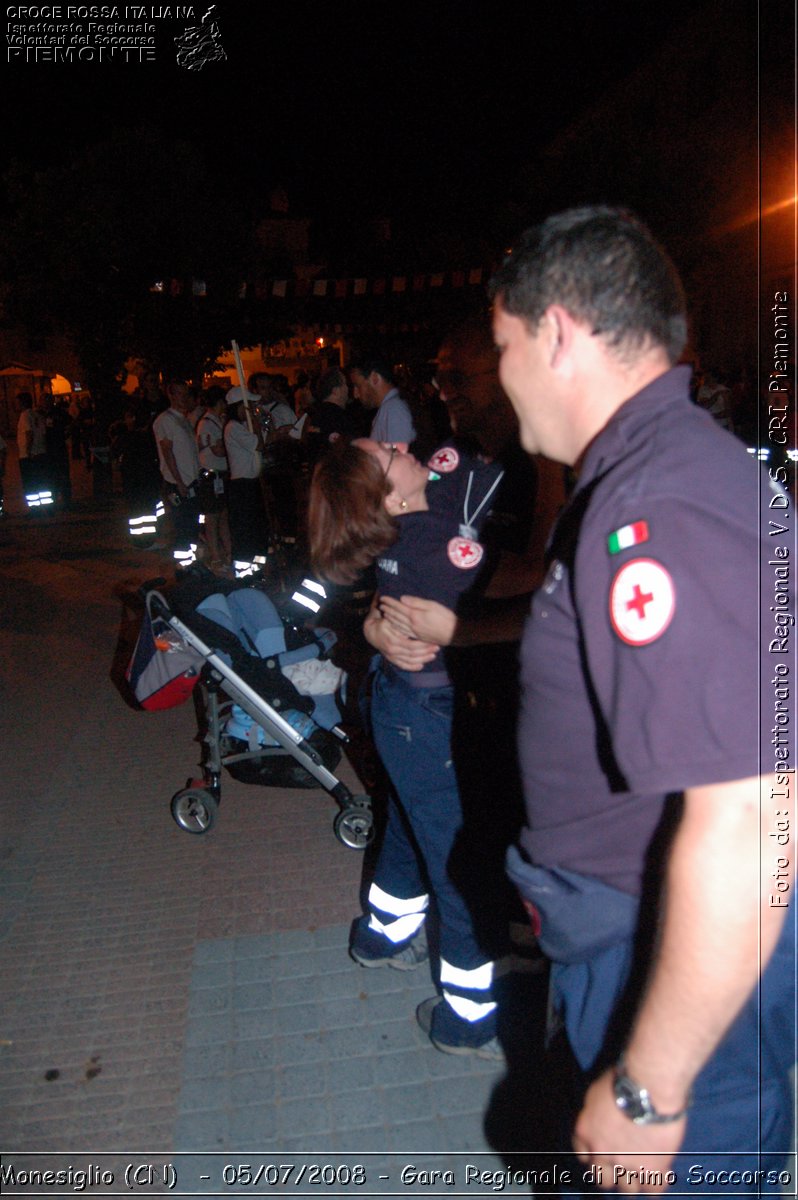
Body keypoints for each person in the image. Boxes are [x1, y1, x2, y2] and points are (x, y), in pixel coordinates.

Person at [483, 207, 793, 1191]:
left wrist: (649, 1089)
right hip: (646, 928)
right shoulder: (664, 473)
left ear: (557, 333)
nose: (498, 376)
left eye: (502, 345)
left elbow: (751, 816)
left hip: (664, 952)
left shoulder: (654, 504)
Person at [309, 437, 510, 1060]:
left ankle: (383, 935)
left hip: (404, 712)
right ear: (393, 497)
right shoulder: (436, 548)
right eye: (389, 452)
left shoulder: (411, 524)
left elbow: (458, 468)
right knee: (458, 861)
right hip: (427, 717)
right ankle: (469, 1016)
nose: (402, 442)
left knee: (410, 820)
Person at [152, 379, 202, 570]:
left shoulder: (184, 419)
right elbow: (167, 452)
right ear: (170, 396)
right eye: (178, 393)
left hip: (192, 480)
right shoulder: (165, 420)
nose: (183, 398)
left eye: (185, 393)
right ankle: (183, 568)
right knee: (182, 526)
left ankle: (192, 563)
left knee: (192, 525)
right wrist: (179, 481)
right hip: (179, 483)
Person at [224, 385, 270, 577]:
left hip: (251, 483)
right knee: (245, 532)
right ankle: (243, 574)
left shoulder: (243, 427)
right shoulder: (233, 427)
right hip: (242, 485)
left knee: (257, 530)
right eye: (248, 405)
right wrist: (257, 423)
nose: (252, 409)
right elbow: (258, 444)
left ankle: (257, 571)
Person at [195, 386, 232, 575]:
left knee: (223, 516)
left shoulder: (219, 420)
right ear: (219, 402)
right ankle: (216, 558)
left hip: (220, 474)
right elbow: (217, 450)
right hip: (211, 476)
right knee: (212, 518)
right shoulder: (207, 423)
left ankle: (228, 553)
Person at [350, 357, 416, 449]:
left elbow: (398, 456)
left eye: (358, 386)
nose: (355, 394)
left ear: (375, 378)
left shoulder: (394, 409)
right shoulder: (390, 408)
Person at [304, 367, 358, 465]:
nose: (348, 388)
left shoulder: (314, 416)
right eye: (345, 384)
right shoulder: (340, 418)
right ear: (335, 391)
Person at [16, 392, 50, 511]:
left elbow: (29, 433)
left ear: (22, 403)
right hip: (41, 452)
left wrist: (28, 451)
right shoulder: (37, 415)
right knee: (42, 481)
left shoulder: (24, 416)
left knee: (30, 484)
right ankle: (46, 507)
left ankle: (35, 509)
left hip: (29, 455)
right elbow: (44, 433)